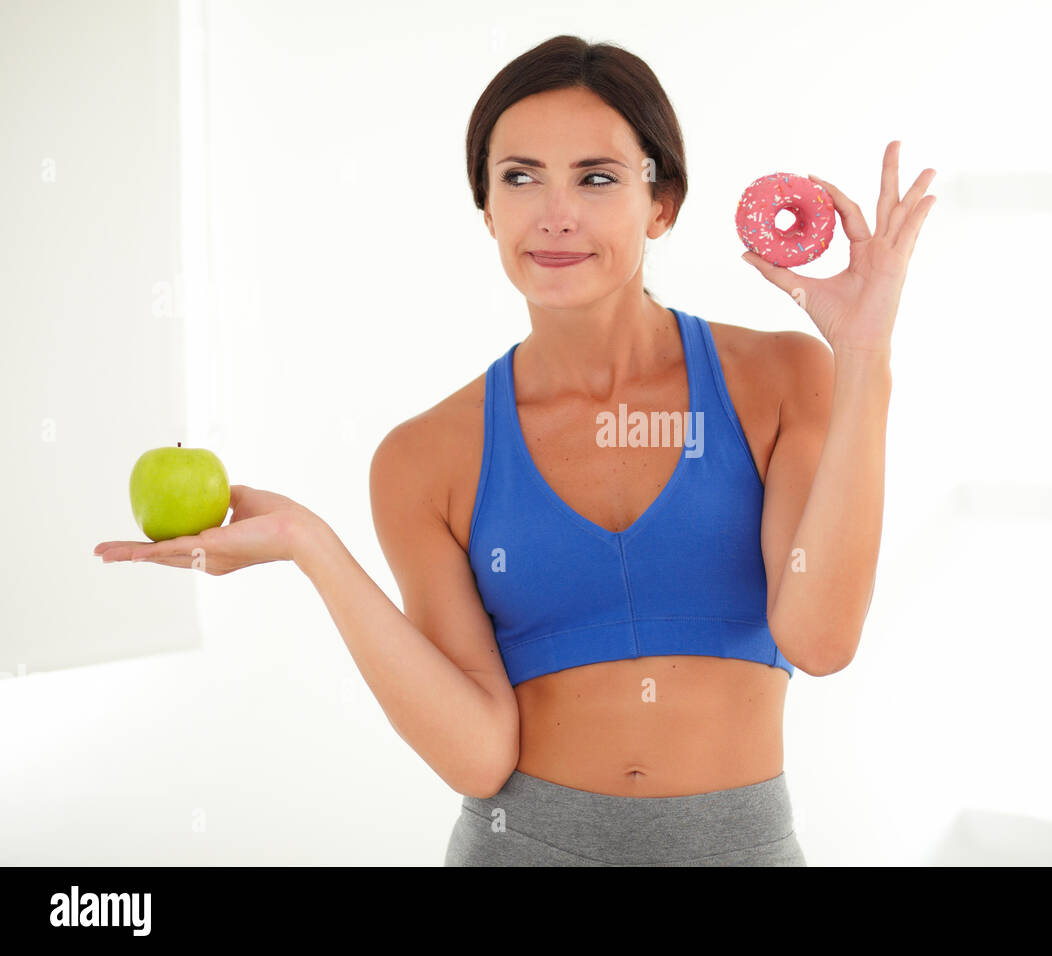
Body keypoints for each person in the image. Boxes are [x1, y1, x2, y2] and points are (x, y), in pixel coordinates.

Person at [94, 35, 934, 866]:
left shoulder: (783, 378)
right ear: (488, 210)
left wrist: (864, 359)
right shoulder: (425, 459)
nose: (554, 212)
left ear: (662, 204)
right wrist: (311, 547)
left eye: (597, 178)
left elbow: (821, 640)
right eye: (519, 177)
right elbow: (477, 754)